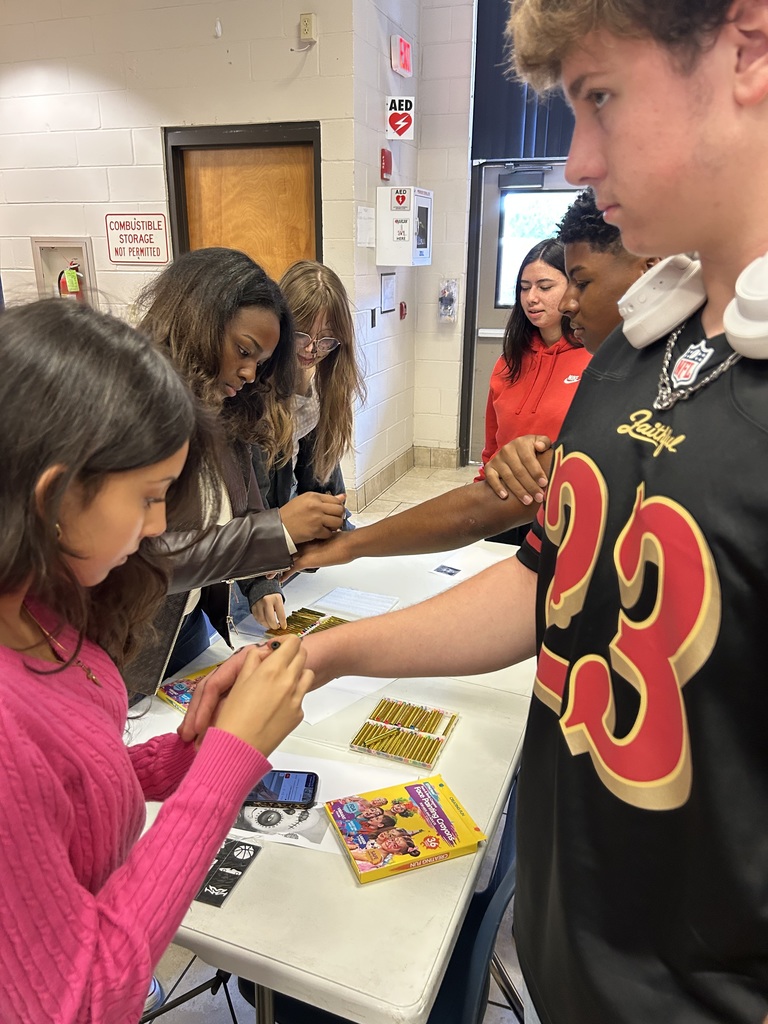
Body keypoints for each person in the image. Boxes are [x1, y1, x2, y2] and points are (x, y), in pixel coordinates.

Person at [185, 1, 768, 1019]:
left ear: (747, 47)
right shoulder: (637, 357)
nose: (578, 158)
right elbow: (546, 587)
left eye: (600, 98)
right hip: (567, 959)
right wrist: (318, 654)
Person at [0, 299, 313, 1023]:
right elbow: (84, 998)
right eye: (148, 497)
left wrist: (179, 759)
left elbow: (63, 791)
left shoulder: (41, 605)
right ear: (53, 493)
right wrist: (226, 765)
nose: (160, 525)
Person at [289, 189, 654, 570]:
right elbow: (486, 488)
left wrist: (348, 545)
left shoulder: (619, 377)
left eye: (574, 284)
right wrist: (347, 545)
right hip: (513, 513)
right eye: (525, 288)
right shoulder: (512, 361)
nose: (563, 303)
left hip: (573, 534)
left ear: (652, 268)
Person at [126, 248, 346, 690]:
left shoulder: (229, 412)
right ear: (196, 322)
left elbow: (242, 513)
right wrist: (279, 530)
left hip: (183, 633)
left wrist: (261, 584)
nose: (249, 373)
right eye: (243, 351)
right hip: (129, 642)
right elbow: (148, 556)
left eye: (260, 363)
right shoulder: (137, 415)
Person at [246, 260, 367, 632]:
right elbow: (249, 507)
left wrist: (337, 531)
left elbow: (328, 492)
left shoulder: (322, 392)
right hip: (250, 570)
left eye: (327, 340)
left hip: (290, 569)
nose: (313, 350)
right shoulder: (251, 394)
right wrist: (259, 580)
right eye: (302, 335)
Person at [478, 238, 589, 544]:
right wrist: (481, 494)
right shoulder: (509, 361)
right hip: (505, 505)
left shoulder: (595, 357)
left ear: (572, 288)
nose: (531, 298)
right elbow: (492, 445)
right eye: (524, 287)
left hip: (564, 512)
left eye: (544, 286)